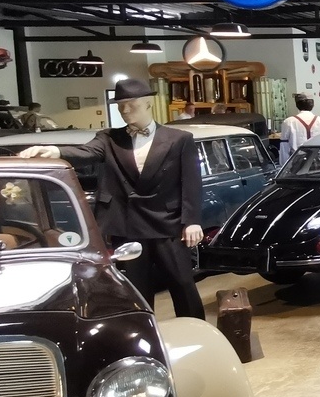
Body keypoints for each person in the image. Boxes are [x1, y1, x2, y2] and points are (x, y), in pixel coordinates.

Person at [19, 77, 205, 319]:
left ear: (148, 103)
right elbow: (85, 152)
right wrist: (54, 151)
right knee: (135, 288)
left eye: (131, 104)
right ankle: (140, 330)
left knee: (183, 283)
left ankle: (197, 329)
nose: (125, 110)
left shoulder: (179, 138)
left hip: (167, 223)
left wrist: (192, 221)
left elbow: (191, 181)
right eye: (120, 106)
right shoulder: (109, 138)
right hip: (128, 225)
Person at [279, 93, 320, 163]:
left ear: (297, 105)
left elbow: (284, 147)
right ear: (312, 104)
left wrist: (284, 165)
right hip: (319, 161)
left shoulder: (288, 122)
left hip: (297, 161)